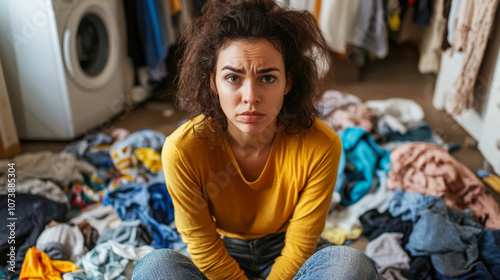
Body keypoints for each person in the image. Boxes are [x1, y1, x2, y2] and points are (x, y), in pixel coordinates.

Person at [133, 0, 379, 279]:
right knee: (155, 267)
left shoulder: (321, 145)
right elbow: (202, 243)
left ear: (288, 81)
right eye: (233, 78)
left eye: (268, 78)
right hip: (221, 251)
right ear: (213, 82)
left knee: (351, 264)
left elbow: (300, 246)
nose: (250, 96)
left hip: (289, 251)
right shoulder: (183, 149)